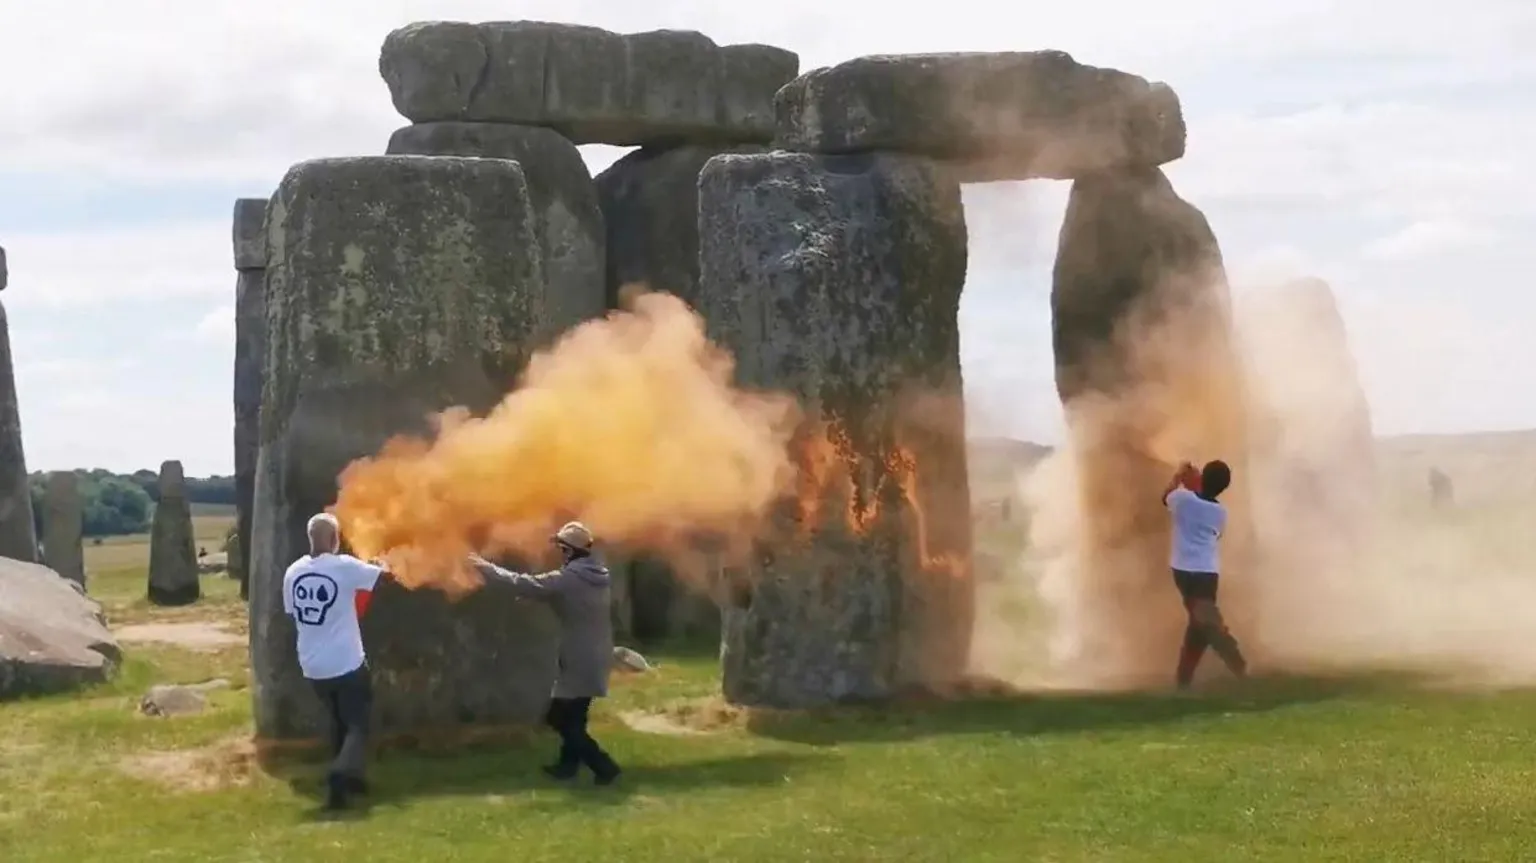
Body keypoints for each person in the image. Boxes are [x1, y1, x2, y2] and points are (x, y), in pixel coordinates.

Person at [468, 521, 621, 786]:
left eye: (563, 548)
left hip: (579, 656)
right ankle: (567, 766)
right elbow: (566, 599)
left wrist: (482, 566)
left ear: (570, 550)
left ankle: (604, 766)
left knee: (559, 718)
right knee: (575, 716)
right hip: (595, 652)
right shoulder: (595, 573)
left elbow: (520, 583)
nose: (560, 552)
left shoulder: (571, 577)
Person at [282, 512, 388, 811]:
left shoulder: (293, 572)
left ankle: (350, 784)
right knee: (358, 725)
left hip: (313, 666)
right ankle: (339, 776)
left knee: (340, 723)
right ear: (334, 540)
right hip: (346, 662)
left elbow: (293, 613)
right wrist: (384, 560)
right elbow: (383, 576)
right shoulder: (344, 567)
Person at [1162, 460, 1248, 690]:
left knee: (1202, 624)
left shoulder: (1182, 498)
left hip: (1183, 572)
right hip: (1207, 572)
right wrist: (1195, 485)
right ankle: (1234, 665)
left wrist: (1180, 476)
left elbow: (1166, 497)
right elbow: (1216, 536)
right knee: (1203, 622)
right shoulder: (1220, 512)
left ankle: (1189, 678)